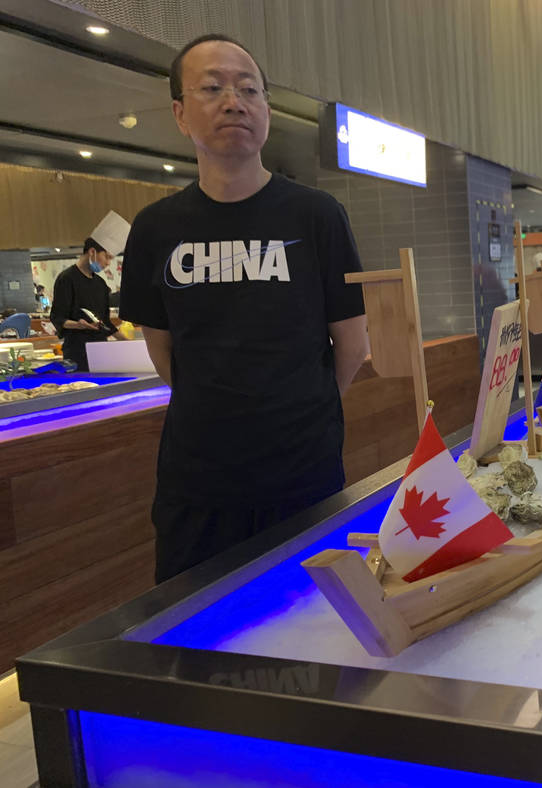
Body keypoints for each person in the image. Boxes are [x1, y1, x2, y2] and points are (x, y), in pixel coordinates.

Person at [119, 34, 369, 584]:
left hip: (304, 475)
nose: (234, 100)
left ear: (267, 111)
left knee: (312, 635)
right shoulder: (156, 229)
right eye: (212, 88)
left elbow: (353, 344)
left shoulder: (317, 216)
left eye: (248, 88)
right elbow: (161, 349)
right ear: (180, 114)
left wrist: (296, 413)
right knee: (197, 644)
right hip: (197, 485)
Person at [49, 237, 120, 370]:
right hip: (76, 352)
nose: (108, 263)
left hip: (101, 350)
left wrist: (128, 343)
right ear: (92, 252)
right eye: (107, 257)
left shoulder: (100, 284)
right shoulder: (66, 279)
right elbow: (57, 317)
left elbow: (105, 323)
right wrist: (77, 325)